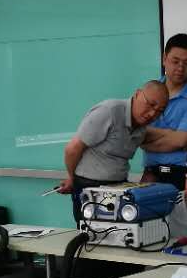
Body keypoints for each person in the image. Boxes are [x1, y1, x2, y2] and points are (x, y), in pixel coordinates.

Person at [57, 81, 168, 223]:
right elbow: (72, 149)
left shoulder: (142, 128)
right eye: (150, 104)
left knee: (120, 232)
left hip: (119, 187)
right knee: (91, 233)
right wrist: (72, 179)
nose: (152, 114)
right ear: (137, 94)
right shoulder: (108, 111)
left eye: (159, 111)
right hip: (90, 186)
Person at [141, 34, 187, 189]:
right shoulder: (149, 90)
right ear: (164, 59)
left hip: (184, 174)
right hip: (150, 172)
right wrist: (170, 134)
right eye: (175, 61)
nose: (180, 68)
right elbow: (137, 135)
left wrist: (147, 139)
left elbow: (179, 141)